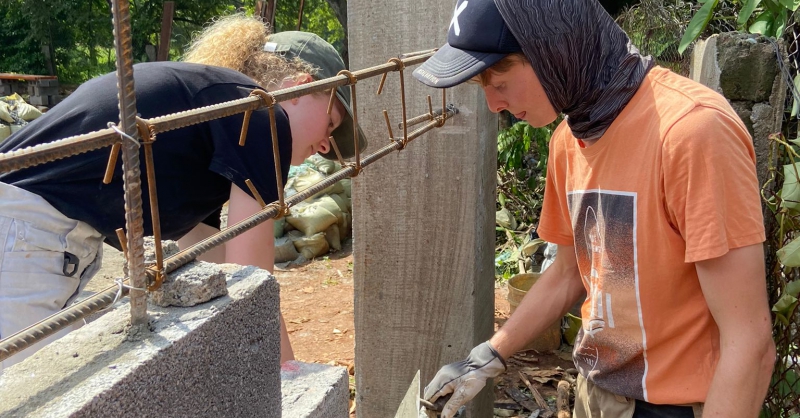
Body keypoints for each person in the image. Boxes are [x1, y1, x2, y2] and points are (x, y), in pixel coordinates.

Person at [412, 1, 775, 417]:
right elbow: (569, 274)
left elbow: (749, 344)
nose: (494, 105)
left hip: (672, 406)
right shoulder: (569, 139)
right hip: (595, 394)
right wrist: (489, 354)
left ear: (554, 49)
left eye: (500, 82)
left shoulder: (692, 133)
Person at [0, 15, 365, 371]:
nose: (324, 147)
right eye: (331, 123)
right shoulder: (261, 116)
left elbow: (218, 261)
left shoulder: (208, 129)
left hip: (27, 230)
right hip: (26, 232)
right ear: (298, 87)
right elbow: (252, 283)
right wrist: (289, 376)